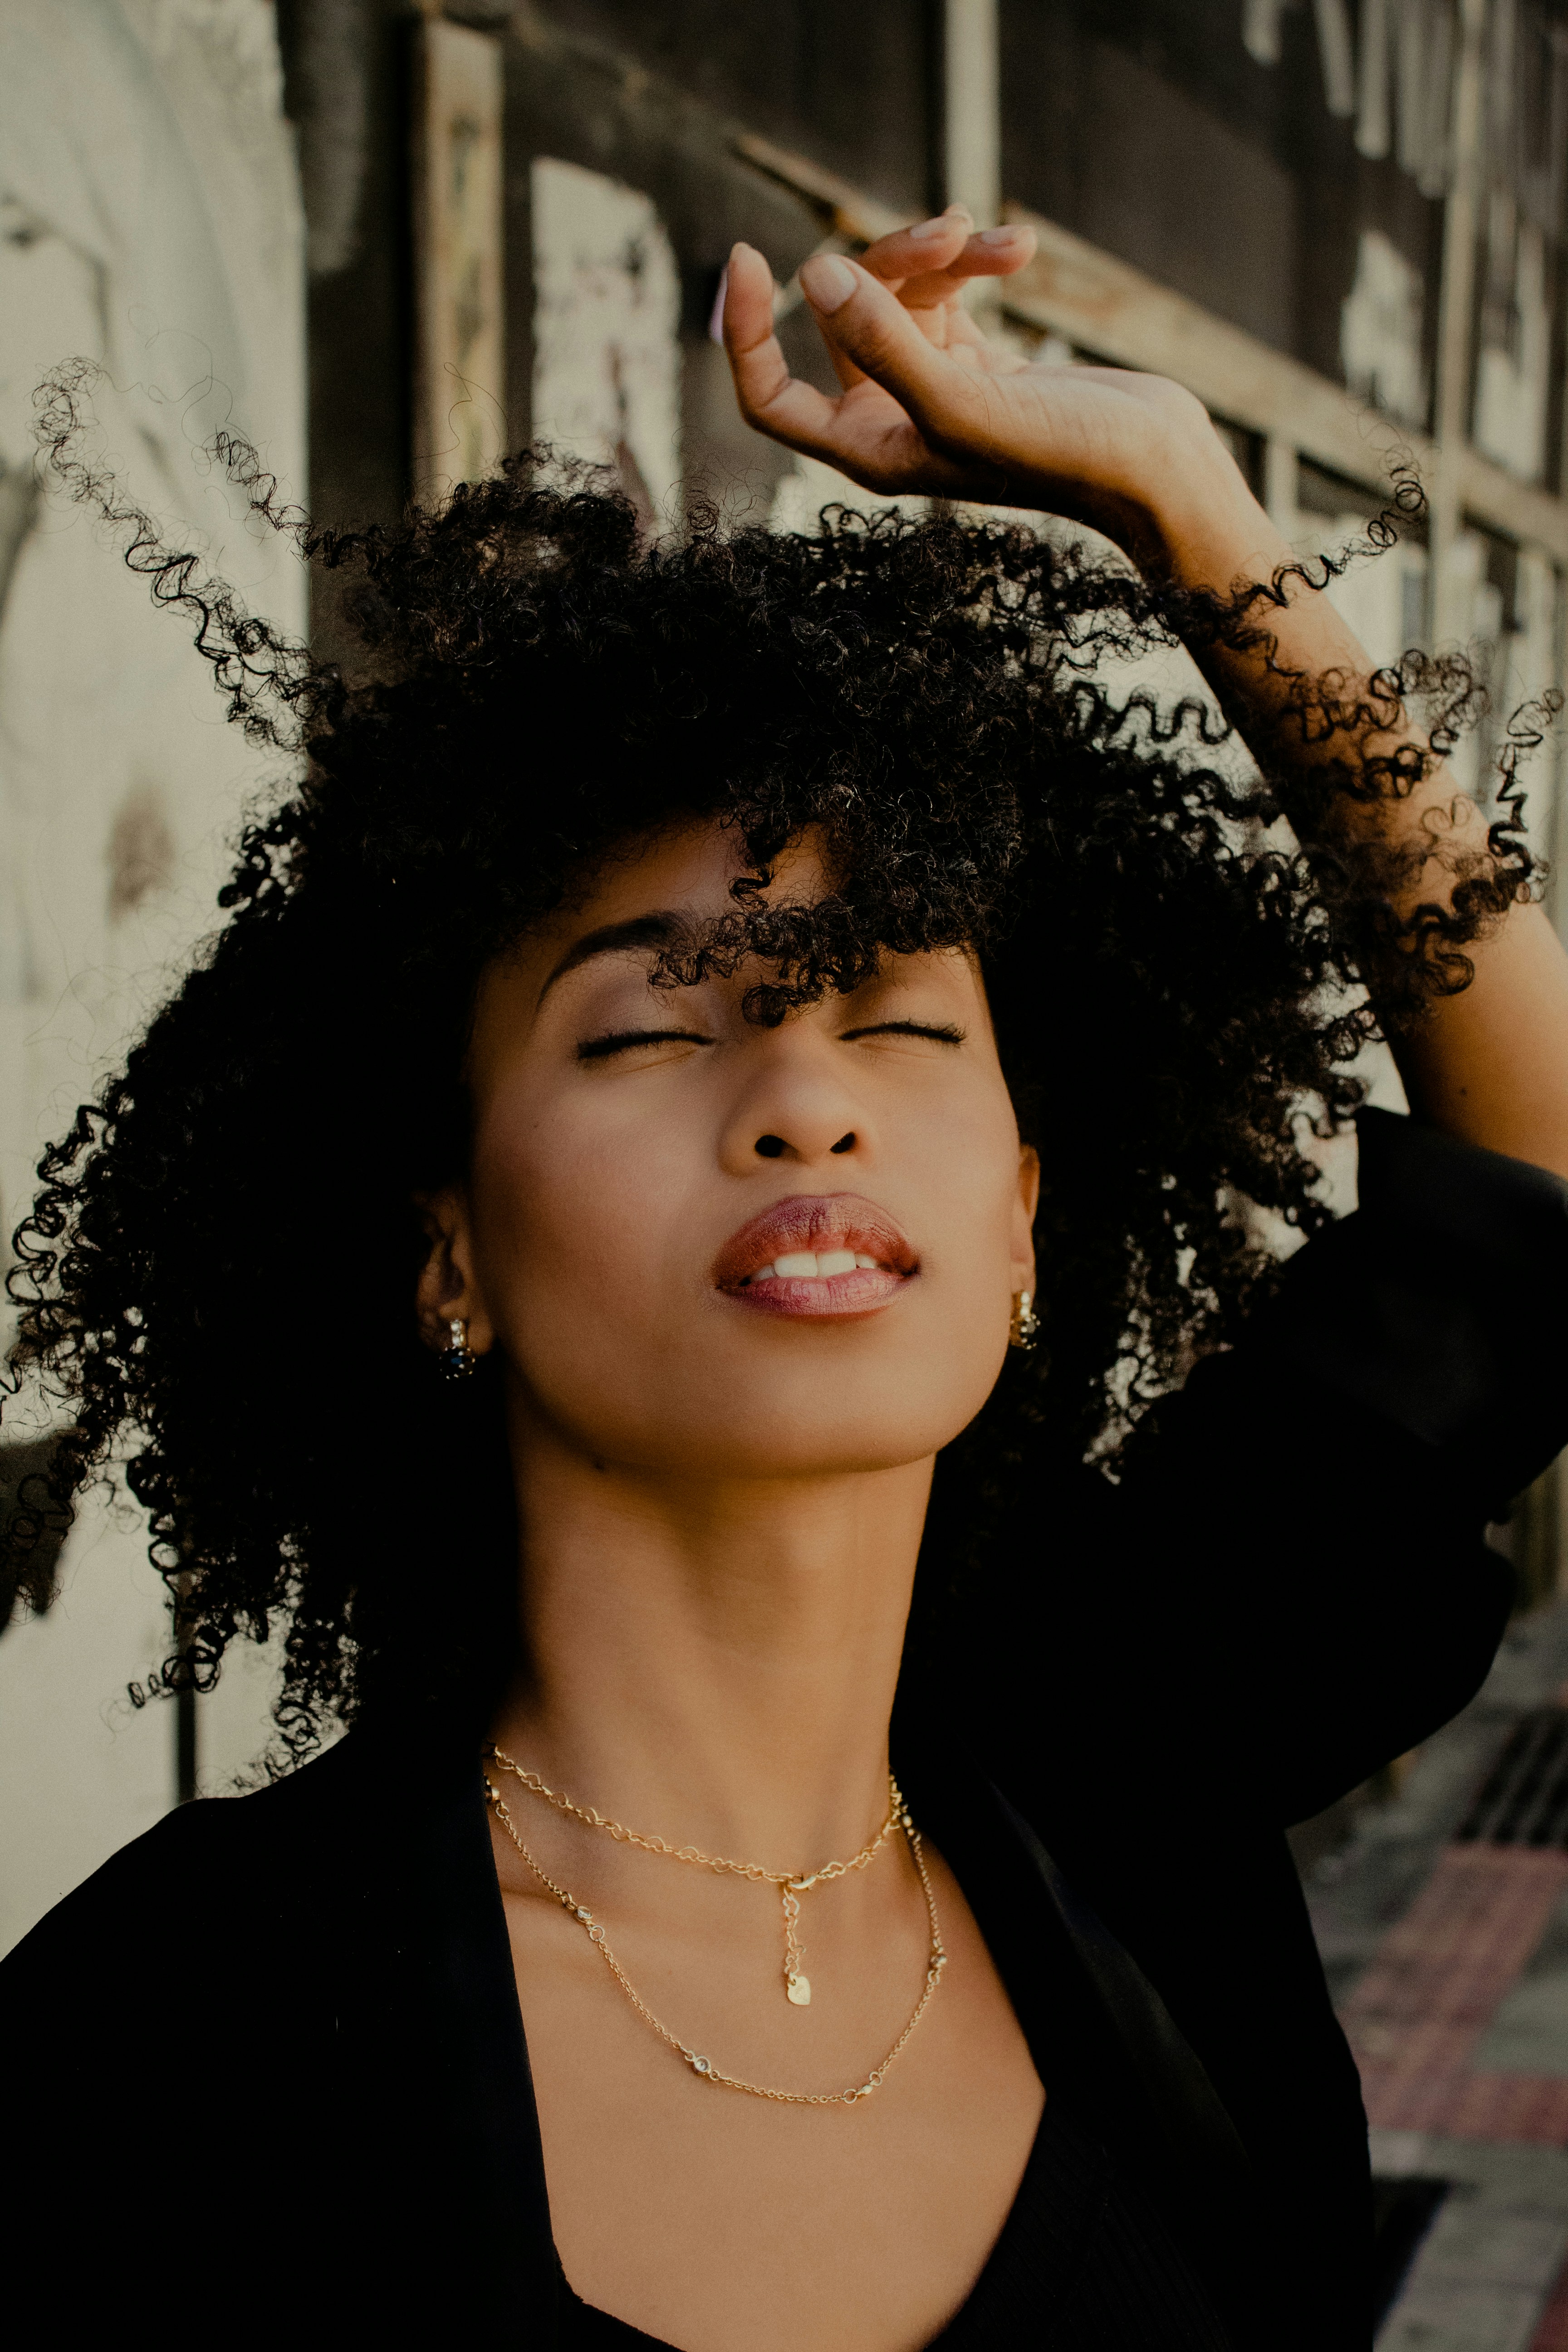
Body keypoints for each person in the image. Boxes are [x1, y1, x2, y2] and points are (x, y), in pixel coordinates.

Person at [5, 208, 1568, 2352]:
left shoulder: (1114, 1760)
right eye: (654, 1030)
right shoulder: (178, 2041)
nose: (804, 1105)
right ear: (444, 1244)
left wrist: (1187, 512)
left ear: (1020, 1211)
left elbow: (1531, 1192)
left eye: (899, 1022)